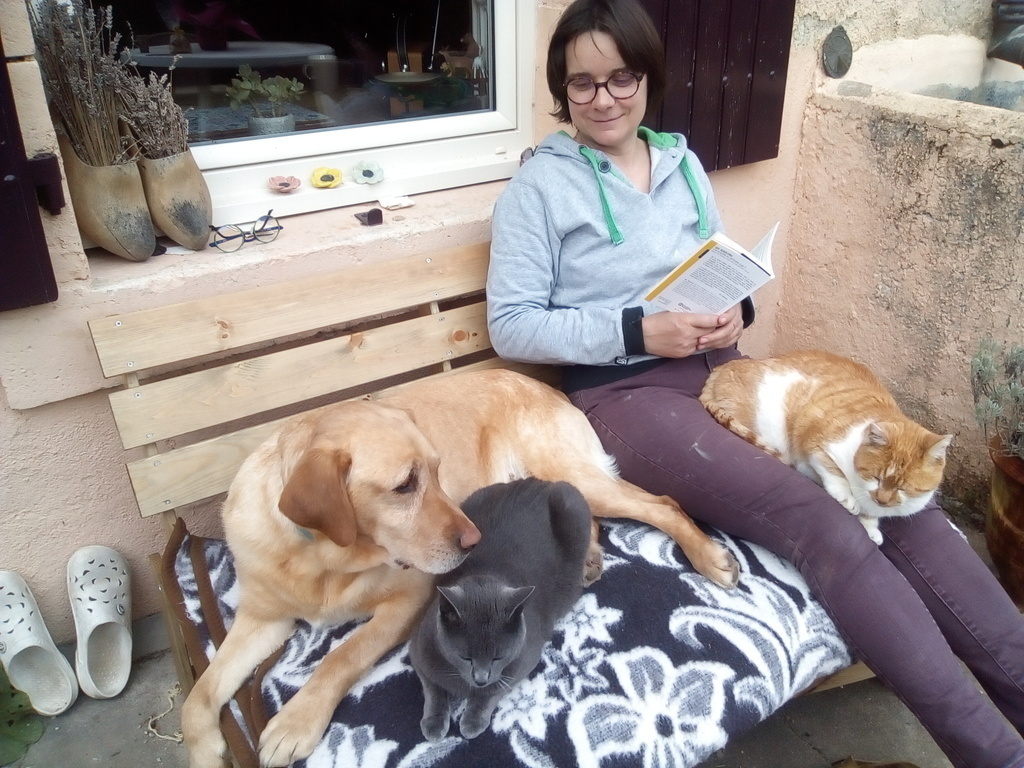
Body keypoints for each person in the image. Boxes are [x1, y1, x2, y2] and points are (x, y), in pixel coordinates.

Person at [485, 1, 1024, 766]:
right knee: (822, 520)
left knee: (908, 508)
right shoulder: (539, 189)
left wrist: (735, 311)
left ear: (648, 78)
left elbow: (720, 266)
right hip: (627, 397)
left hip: (730, 373)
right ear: (560, 90)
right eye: (582, 83)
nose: (603, 98)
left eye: (621, 77)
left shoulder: (683, 165)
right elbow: (512, 325)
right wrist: (638, 331)